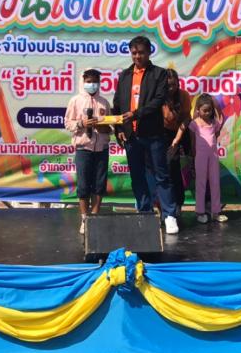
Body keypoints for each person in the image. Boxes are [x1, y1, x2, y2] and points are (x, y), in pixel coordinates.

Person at [112, 36, 178, 235]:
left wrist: (136, 114)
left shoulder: (159, 74)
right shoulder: (124, 75)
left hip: (153, 134)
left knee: (161, 175)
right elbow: (117, 104)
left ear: (149, 52)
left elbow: (158, 101)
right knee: (137, 176)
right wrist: (119, 129)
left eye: (141, 52)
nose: (137, 56)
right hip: (131, 136)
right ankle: (144, 212)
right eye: (134, 53)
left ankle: (169, 215)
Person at [64, 69, 112, 234]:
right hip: (83, 148)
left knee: (99, 184)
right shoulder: (75, 101)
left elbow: (111, 126)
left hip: (101, 149)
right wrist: (81, 124)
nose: (92, 84)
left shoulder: (104, 102)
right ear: (83, 82)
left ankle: (94, 217)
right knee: (83, 184)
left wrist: (104, 127)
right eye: (89, 81)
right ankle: (85, 219)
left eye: (95, 81)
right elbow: (68, 123)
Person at [189, 94, 227, 224]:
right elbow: (192, 142)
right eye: (204, 110)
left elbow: (221, 118)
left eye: (209, 110)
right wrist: (193, 157)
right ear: (198, 110)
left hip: (213, 157)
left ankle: (215, 212)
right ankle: (200, 212)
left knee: (215, 182)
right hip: (200, 157)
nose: (207, 113)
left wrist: (214, 102)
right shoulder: (194, 124)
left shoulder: (214, 123)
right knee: (201, 184)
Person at [162, 68, 192, 214]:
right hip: (163, 133)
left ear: (178, 83)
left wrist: (177, 139)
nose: (171, 88)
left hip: (181, 131)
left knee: (174, 166)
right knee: (166, 167)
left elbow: (186, 119)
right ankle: (165, 204)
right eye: (168, 85)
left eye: (174, 84)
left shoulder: (184, 96)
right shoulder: (159, 97)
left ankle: (178, 203)